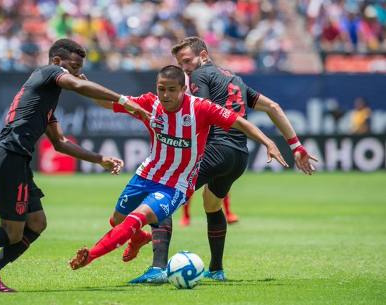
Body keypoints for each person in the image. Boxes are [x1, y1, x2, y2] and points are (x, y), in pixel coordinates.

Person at [0, 38, 150, 292]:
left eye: (79, 67)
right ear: (57, 61)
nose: (78, 72)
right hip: (9, 155)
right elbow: (77, 85)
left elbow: (61, 142)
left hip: (17, 159)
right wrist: (124, 100)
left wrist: (99, 159)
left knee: (36, 223)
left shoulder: (45, 100)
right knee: (11, 232)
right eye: (74, 66)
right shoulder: (48, 72)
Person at [131, 37, 318, 284]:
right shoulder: (235, 80)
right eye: (180, 63)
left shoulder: (199, 76)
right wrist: (296, 145)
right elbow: (273, 106)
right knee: (212, 204)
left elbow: (203, 109)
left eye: (187, 61)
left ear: (204, 56)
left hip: (217, 149)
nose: (184, 68)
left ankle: (157, 269)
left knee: (163, 196)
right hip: (239, 156)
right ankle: (216, 269)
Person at [68, 65, 288, 273]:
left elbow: (240, 122)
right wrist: (86, 87)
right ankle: (139, 239)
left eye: (172, 90)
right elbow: (110, 103)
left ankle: (91, 255)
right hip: (146, 175)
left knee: (138, 217)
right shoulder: (149, 103)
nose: (165, 95)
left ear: (184, 89)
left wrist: (268, 142)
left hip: (176, 185)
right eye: (161, 89)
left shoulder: (201, 108)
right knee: (117, 220)